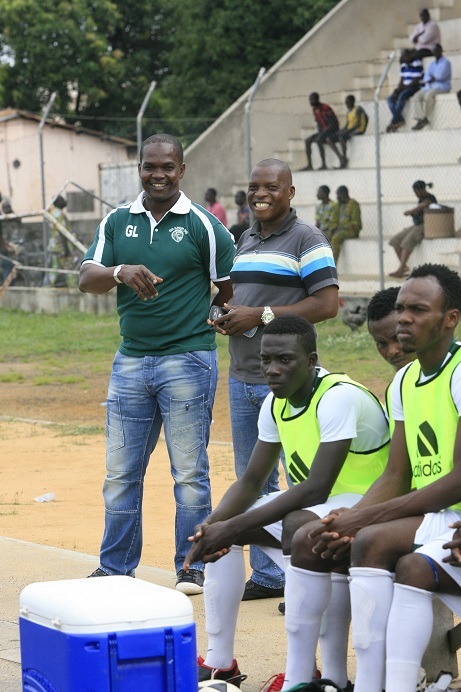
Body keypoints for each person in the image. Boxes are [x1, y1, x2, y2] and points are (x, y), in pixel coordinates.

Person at [185, 314, 390, 689]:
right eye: (266, 360)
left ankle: (312, 676)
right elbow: (250, 481)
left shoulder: (337, 396)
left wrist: (235, 525)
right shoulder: (275, 404)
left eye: (285, 360)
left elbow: (317, 487)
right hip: (320, 506)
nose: (272, 370)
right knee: (220, 531)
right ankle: (220, 661)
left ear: (311, 360)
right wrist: (213, 525)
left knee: (296, 526)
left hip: (367, 503)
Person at [78, 133, 236, 594]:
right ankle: (115, 567)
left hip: (188, 361)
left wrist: (203, 325)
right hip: (129, 362)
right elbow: (86, 277)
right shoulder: (117, 221)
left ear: (182, 170)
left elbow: (227, 291)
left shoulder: (204, 226)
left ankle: (190, 566)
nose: (159, 174)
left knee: (188, 472)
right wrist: (118, 272)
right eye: (150, 166)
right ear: (140, 169)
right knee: (121, 472)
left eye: (168, 167)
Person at [300, 263, 461, 692]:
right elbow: (397, 473)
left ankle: (409, 677)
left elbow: (457, 481)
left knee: (372, 539)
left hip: (452, 511)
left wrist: (362, 520)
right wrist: (350, 517)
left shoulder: (460, 372)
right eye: (402, 309)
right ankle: (363, 681)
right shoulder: (405, 380)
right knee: (329, 537)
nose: (405, 319)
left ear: (451, 319)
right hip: (440, 515)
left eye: (418, 310)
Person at [210, 159, 339, 603]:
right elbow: (238, 297)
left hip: (286, 380)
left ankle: (307, 571)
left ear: (290, 192)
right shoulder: (245, 238)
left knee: (301, 478)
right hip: (243, 374)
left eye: (270, 186)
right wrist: (224, 314)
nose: (259, 193)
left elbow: (327, 304)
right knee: (253, 477)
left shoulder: (307, 238)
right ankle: (269, 576)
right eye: (253, 186)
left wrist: (261, 316)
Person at [389, 180, 437, 278]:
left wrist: (413, 210)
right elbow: (419, 211)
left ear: (422, 190)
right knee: (394, 240)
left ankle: (400, 269)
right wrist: (414, 212)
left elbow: (424, 207)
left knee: (407, 242)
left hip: (425, 225)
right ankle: (404, 267)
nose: (415, 194)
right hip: (416, 224)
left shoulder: (430, 198)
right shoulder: (420, 199)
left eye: (416, 192)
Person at [412, 44, 451, 130]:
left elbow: (440, 76)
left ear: (440, 51)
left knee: (428, 96)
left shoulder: (445, 63)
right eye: (434, 51)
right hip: (430, 86)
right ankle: (420, 119)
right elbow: (427, 77)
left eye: (437, 50)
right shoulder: (432, 64)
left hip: (442, 87)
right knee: (416, 96)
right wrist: (432, 78)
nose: (435, 52)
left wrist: (433, 78)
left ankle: (426, 117)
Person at [303, 93, 345, 171]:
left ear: (317, 99)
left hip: (332, 129)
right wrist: (320, 132)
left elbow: (334, 123)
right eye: (310, 100)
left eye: (312, 99)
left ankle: (323, 164)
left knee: (319, 139)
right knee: (307, 141)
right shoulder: (315, 110)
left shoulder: (325, 108)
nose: (311, 102)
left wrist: (323, 133)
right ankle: (310, 165)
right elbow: (319, 122)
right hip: (323, 130)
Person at [386, 48, 423, 132]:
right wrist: (397, 90)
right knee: (390, 98)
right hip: (405, 87)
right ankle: (399, 119)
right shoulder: (403, 65)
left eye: (405, 56)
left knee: (402, 96)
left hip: (415, 87)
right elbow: (402, 80)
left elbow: (416, 80)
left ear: (409, 55)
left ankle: (394, 122)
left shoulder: (417, 62)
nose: (403, 58)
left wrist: (402, 90)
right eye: (402, 56)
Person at [47, 195, 77, 287]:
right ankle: (74, 288)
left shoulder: (52, 213)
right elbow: (62, 232)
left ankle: (48, 287)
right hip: (61, 246)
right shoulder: (60, 214)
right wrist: (66, 249)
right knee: (69, 269)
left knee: (55, 268)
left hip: (54, 246)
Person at [328, 186, 362, 262]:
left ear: (343, 194)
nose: (337, 197)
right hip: (338, 230)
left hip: (351, 230)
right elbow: (333, 220)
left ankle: (332, 267)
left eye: (338, 195)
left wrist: (340, 228)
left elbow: (356, 223)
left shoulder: (353, 204)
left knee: (335, 238)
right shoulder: (338, 205)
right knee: (322, 236)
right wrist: (333, 228)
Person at [337, 95, 368, 164]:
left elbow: (358, 124)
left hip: (358, 130)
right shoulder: (348, 112)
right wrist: (342, 130)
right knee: (337, 135)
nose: (346, 104)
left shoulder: (358, 109)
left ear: (352, 102)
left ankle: (344, 157)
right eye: (346, 102)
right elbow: (347, 124)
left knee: (341, 137)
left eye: (348, 102)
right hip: (350, 130)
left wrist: (347, 131)